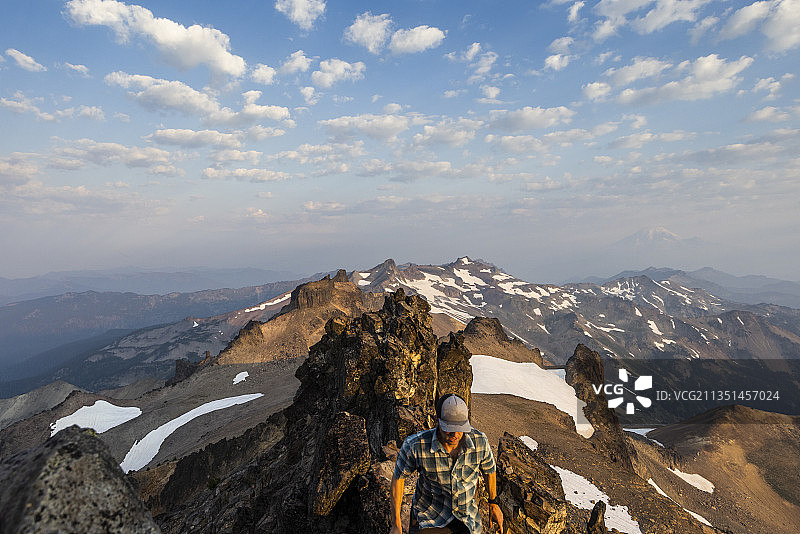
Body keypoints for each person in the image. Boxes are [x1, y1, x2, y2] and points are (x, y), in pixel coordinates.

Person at [389, 393, 504, 533]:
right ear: (437, 420)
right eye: (449, 428)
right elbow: (398, 478)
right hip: (430, 517)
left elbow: (489, 470)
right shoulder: (415, 445)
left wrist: (493, 503)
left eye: (460, 428)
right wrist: (396, 524)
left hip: (465, 518)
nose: (455, 434)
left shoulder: (480, 442)